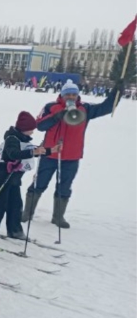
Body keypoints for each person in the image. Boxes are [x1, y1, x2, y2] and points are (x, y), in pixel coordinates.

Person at [23, 79, 122, 228]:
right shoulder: (51, 107)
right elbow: (40, 125)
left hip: (71, 157)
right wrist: (57, 116)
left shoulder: (85, 108)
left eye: (74, 95)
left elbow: (106, 108)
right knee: (39, 183)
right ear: (62, 95)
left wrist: (117, 91)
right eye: (67, 94)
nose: (71, 97)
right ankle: (27, 212)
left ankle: (58, 217)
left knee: (64, 187)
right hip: (50, 154)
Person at [0, 112, 60, 239]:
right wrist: (32, 152)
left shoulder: (23, 139)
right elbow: (13, 154)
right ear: (24, 129)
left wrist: (51, 150)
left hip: (14, 178)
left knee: (16, 204)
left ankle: (15, 230)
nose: (32, 132)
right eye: (31, 130)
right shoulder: (12, 139)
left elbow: (31, 151)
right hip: (4, 176)